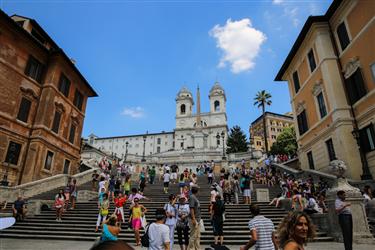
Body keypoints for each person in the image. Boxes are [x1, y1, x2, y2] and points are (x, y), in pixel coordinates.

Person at [188, 186, 201, 250]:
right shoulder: (192, 197)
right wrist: (193, 219)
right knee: (193, 235)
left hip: (197, 218)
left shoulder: (194, 197)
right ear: (197, 191)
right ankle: (191, 248)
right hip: (194, 218)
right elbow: (191, 208)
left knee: (197, 236)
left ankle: (197, 248)